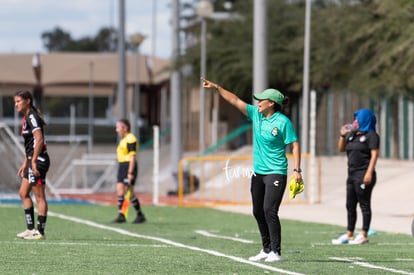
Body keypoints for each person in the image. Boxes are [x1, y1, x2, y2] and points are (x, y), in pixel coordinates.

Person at [201, 77, 302, 263]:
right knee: (257, 210)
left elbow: (294, 145)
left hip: (276, 171)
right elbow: (235, 100)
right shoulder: (256, 114)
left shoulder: (283, 122)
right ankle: (265, 249)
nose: (258, 102)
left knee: (269, 210)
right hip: (258, 172)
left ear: (271, 103)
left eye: (261, 99)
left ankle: (276, 252)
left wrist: (297, 170)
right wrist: (217, 87)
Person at [332, 108, 380, 245]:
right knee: (350, 205)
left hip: (364, 174)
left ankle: (363, 234)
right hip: (351, 174)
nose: (354, 121)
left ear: (365, 119)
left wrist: (369, 173)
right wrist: (342, 136)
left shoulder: (371, 135)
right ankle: (349, 234)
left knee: (364, 204)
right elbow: (341, 149)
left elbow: (375, 155)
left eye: (357, 119)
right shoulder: (352, 135)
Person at [15, 90, 50, 240]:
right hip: (31, 160)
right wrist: (26, 161)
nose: (16, 104)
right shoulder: (26, 118)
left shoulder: (32, 116)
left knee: (39, 196)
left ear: (28, 100)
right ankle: (30, 229)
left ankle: (40, 231)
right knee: (23, 193)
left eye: (18, 101)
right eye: (15, 102)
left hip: (39, 160)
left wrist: (34, 161)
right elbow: (30, 143)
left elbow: (39, 139)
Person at [112, 119, 146, 224]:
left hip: (128, 166)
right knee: (120, 190)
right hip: (122, 166)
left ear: (125, 128)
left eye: (118, 127)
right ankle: (121, 215)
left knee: (129, 192)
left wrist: (130, 172)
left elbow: (132, 157)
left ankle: (140, 214)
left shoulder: (131, 139)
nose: (116, 130)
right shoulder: (124, 139)